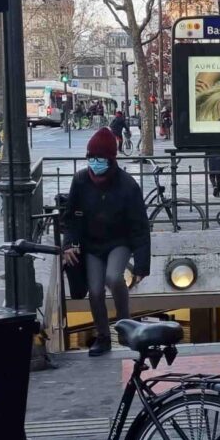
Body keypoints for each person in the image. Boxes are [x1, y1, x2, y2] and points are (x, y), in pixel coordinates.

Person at [62, 129, 151, 357]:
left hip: (119, 242)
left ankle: (125, 325)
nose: (94, 164)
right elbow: (70, 218)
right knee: (95, 290)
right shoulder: (80, 180)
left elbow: (140, 227)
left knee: (113, 277)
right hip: (92, 245)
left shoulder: (128, 185)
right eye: (91, 159)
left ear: (111, 160)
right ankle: (103, 337)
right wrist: (69, 244)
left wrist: (141, 265)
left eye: (100, 159)